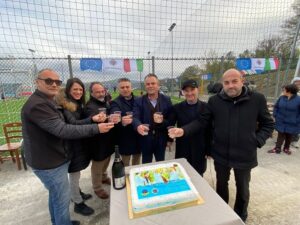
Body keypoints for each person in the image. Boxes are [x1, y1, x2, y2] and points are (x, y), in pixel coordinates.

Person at [168, 68, 274, 222]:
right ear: (222, 84)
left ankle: (240, 215)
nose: (230, 85)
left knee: (243, 188)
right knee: (221, 184)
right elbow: (202, 121)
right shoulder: (215, 101)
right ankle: (222, 212)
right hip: (221, 153)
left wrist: (256, 141)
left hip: (245, 154)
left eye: (234, 81)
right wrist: (183, 131)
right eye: (226, 82)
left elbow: (268, 124)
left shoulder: (257, 99)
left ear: (242, 81)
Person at [21, 69, 114, 225]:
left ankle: (59, 221)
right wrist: (96, 127)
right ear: (37, 82)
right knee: (62, 199)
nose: (54, 84)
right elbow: (63, 129)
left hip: (54, 156)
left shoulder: (49, 101)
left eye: (57, 82)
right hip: (48, 161)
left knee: (56, 196)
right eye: (49, 81)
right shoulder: (39, 105)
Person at [55, 78, 104, 216]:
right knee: (74, 174)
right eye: (75, 89)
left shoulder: (76, 103)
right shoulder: (65, 105)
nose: (78, 92)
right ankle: (77, 202)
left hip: (77, 143)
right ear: (68, 90)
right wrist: (92, 120)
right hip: (70, 145)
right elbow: (73, 125)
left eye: (80, 89)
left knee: (76, 172)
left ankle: (77, 192)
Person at [169, 79, 211, 176]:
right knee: (182, 174)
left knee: (198, 174)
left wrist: (209, 149)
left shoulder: (206, 107)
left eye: (192, 90)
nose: (189, 93)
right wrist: (160, 121)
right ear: (183, 92)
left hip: (200, 147)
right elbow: (169, 123)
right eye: (186, 91)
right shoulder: (177, 107)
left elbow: (208, 129)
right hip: (183, 147)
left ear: (198, 89)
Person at [132, 73, 172, 163]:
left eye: (153, 83)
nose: (150, 86)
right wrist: (138, 126)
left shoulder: (166, 99)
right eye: (148, 84)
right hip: (145, 139)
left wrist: (169, 138)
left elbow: (171, 120)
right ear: (145, 86)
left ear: (158, 86)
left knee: (161, 163)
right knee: (146, 164)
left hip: (161, 138)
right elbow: (135, 117)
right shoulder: (139, 101)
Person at [84, 82, 115, 199]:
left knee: (107, 159)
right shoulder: (90, 106)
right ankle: (97, 187)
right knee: (98, 163)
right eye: (97, 92)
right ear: (91, 93)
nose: (101, 93)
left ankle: (103, 176)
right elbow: (91, 118)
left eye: (102, 91)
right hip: (97, 141)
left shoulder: (105, 101)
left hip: (107, 138)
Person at [110, 78, 141, 166]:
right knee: (125, 164)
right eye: (122, 87)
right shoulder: (115, 102)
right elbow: (114, 113)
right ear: (118, 89)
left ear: (131, 88)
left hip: (138, 136)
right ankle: (126, 179)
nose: (125, 89)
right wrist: (121, 120)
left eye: (127, 87)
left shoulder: (139, 99)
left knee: (137, 162)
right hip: (125, 138)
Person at [268, 84, 300, 155]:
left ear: (289, 91)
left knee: (289, 136)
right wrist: (275, 115)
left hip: (292, 122)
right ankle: (277, 148)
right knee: (280, 135)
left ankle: (286, 148)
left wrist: (297, 120)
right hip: (281, 120)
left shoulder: (298, 100)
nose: (283, 91)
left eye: (284, 90)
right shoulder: (282, 98)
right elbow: (276, 107)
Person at [290, 77, 300, 149]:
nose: (297, 84)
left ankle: (294, 141)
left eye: (299, 83)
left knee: (296, 127)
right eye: (296, 82)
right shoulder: (288, 91)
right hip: (290, 112)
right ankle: (284, 139)